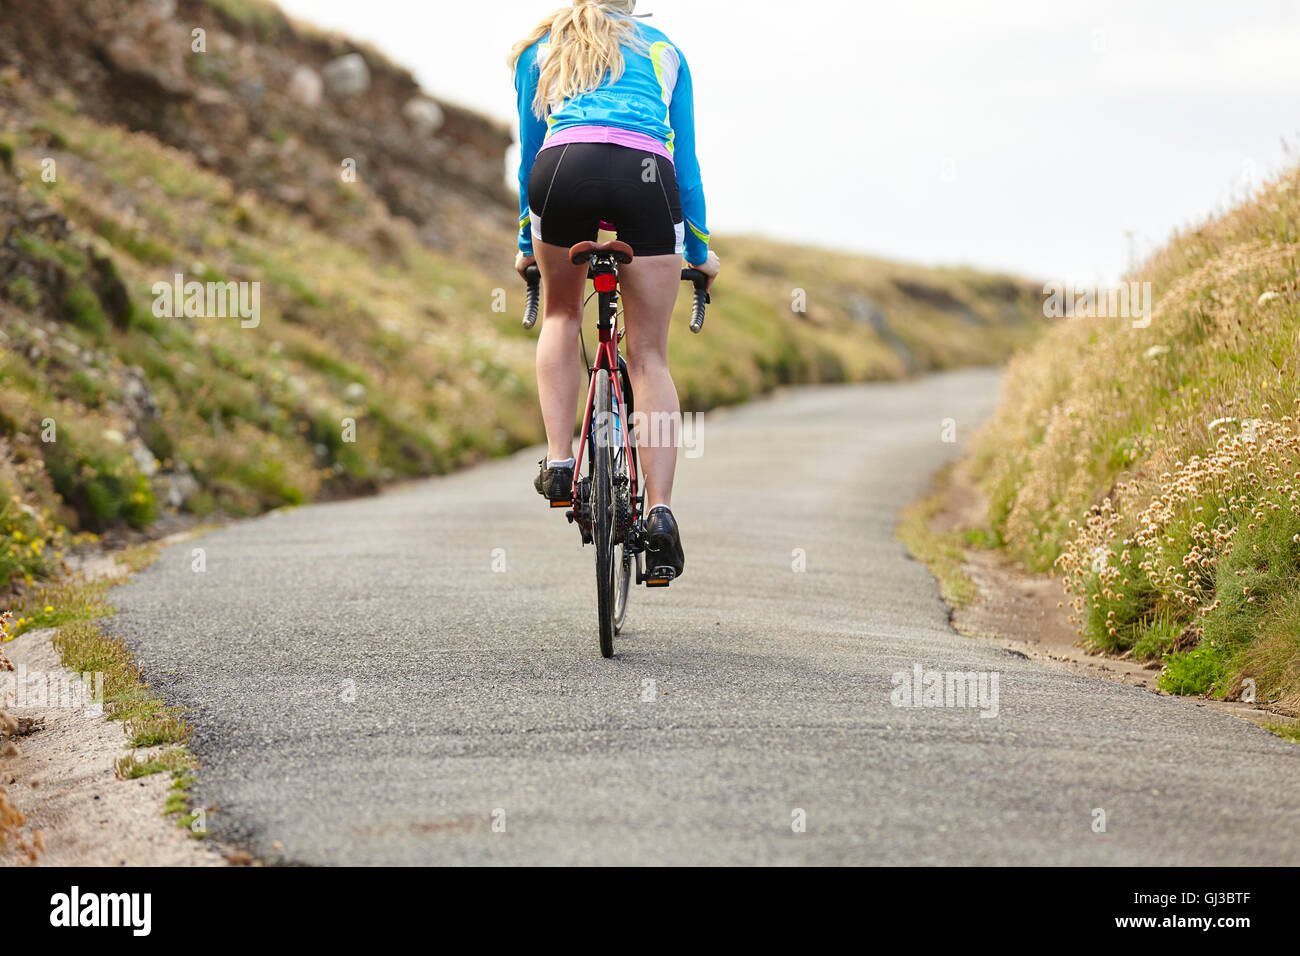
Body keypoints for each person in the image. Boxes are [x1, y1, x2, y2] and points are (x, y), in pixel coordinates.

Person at [510, 0, 718, 578]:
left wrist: (529, 244)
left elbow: (530, 152)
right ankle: (658, 512)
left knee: (561, 316)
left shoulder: (540, 47)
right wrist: (699, 254)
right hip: (646, 176)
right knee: (648, 354)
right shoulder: (665, 50)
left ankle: (558, 461)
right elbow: (688, 161)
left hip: (562, 171)